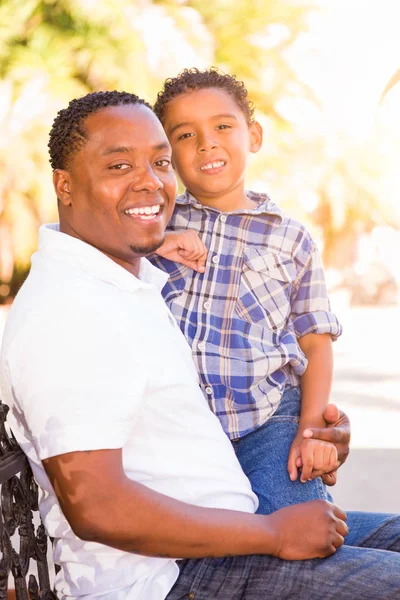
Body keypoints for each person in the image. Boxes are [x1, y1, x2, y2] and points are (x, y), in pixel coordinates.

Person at [0, 91, 400, 600]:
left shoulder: (124, 279)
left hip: (229, 530)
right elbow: (95, 505)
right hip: (172, 574)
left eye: (160, 161)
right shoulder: (69, 309)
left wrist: (311, 427)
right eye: (120, 164)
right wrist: (274, 533)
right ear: (65, 184)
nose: (150, 180)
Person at [151, 68, 340, 513]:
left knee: (301, 524)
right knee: (212, 541)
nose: (206, 143)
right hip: (179, 427)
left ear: (253, 135)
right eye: (184, 134)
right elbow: (89, 241)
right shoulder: (155, 221)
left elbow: (316, 340)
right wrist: (158, 242)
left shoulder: (290, 238)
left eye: (222, 126)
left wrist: (310, 430)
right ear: (167, 154)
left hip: (269, 419)